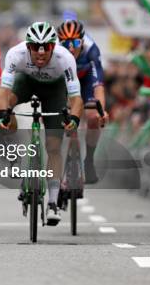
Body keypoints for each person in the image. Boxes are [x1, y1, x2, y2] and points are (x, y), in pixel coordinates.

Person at [0, 22, 83, 225]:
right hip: (27, 82)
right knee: (5, 109)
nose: (41, 53)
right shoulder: (15, 54)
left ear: (54, 46)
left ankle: (52, 202)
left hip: (54, 89)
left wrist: (75, 118)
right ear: (28, 47)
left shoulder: (65, 58)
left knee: (53, 145)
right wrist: (4, 114)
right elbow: (3, 92)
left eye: (47, 47)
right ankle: (11, 152)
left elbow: (76, 98)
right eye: (35, 47)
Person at [57, 19, 108, 184]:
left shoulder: (91, 49)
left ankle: (89, 160)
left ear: (82, 40)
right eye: (66, 43)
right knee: (68, 117)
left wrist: (102, 111)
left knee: (93, 117)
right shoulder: (55, 51)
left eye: (76, 42)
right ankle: (66, 157)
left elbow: (98, 83)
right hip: (63, 83)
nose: (71, 48)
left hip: (85, 82)